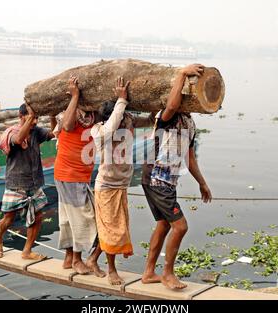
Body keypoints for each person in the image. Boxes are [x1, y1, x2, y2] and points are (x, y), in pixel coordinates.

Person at [141, 64, 213, 289]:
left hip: (166, 180)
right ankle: (167, 274)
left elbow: (190, 159)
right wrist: (182, 73)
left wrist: (202, 183)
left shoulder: (190, 124)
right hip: (156, 177)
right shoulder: (167, 117)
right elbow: (172, 104)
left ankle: (148, 273)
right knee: (180, 227)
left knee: (164, 224)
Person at [91, 76, 155, 285]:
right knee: (113, 230)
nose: (128, 125)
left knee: (115, 228)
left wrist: (157, 106)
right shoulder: (99, 130)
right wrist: (121, 100)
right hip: (107, 187)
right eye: (122, 120)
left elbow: (149, 120)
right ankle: (111, 270)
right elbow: (111, 128)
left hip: (121, 186)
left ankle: (92, 259)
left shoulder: (127, 120)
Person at [54, 76, 105, 276]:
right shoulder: (71, 113)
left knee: (67, 217)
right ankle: (76, 259)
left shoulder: (94, 116)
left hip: (75, 175)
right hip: (69, 174)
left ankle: (68, 258)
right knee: (84, 218)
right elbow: (66, 126)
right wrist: (74, 96)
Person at [0, 103, 55, 260]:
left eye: (37, 118)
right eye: (31, 118)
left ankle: (27, 251)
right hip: (16, 182)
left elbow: (54, 133)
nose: (34, 122)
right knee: (9, 218)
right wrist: (31, 117)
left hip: (34, 182)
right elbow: (19, 139)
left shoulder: (36, 131)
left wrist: (53, 115)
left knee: (38, 217)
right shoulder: (11, 133)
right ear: (21, 117)